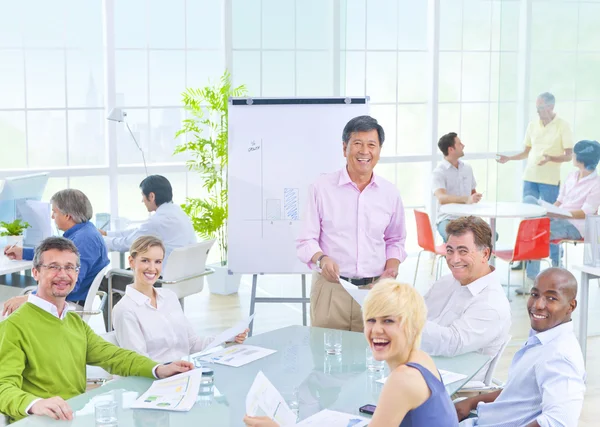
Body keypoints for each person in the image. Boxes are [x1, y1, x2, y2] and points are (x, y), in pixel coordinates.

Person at [0, 237, 193, 423]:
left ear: (77, 273)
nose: (63, 274)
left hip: (72, 417)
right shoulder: (14, 326)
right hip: (37, 421)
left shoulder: (74, 322)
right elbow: (3, 387)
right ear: (35, 272)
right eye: (53, 267)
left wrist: (158, 368)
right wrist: (35, 404)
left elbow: (115, 357)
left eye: (69, 267)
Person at [243, 280, 458, 427]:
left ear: (412, 326)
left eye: (388, 321)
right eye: (371, 320)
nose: (376, 330)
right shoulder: (421, 359)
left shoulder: (403, 379)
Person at [296, 115, 407, 332]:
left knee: (372, 359)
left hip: (375, 290)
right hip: (332, 289)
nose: (364, 151)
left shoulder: (390, 193)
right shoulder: (322, 187)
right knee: (325, 358)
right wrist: (322, 258)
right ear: (344, 147)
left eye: (371, 145)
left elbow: (396, 239)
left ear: (379, 150)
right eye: (357, 144)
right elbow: (305, 239)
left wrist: (391, 270)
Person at [455, 268, 585, 427]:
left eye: (551, 298)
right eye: (535, 294)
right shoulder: (544, 339)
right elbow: (517, 393)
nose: (538, 305)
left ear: (571, 306)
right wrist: (471, 402)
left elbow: (559, 421)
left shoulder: (560, 356)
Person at [112, 236, 248, 362]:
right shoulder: (125, 310)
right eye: (145, 260)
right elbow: (139, 363)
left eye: (158, 262)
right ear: (132, 262)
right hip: (159, 380)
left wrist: (228, 337)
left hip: (184, 372)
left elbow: (193, 343)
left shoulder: (169, 296)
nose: (152, 268)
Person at [99, 174, 197, 328]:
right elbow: (139, 230)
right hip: (183, 278)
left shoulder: (158, 221)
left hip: (161, 280)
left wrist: (99, 240)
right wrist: (108, 234)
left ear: (152, 196)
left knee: (108, 281)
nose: (142, 201)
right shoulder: (178, 213)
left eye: (143, 197)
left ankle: (119, 331)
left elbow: (127, 244)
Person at [420, 217, 510, 382]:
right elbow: (420, 312)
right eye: (449, 250)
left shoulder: (492, 304)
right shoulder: (447, 281)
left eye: (463, 251)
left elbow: (451, 343)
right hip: (425, 368)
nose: (454, 259)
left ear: (485, 254)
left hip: (457, 388)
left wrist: (403, 320)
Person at [2, 189, 109, 315]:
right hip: (64, 297)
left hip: (67, 301)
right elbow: (54, 252)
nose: (52, 216)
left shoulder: (83, 240)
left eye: (55, 212)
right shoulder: (84, 231)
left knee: (7, 302)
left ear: (67, 215)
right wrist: (23, 253)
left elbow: (70, 284)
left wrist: (31, 298)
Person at [519, 140, 600, 294]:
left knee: (538, 231)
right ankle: (542, 263)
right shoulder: (571, 176)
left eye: (574, 154)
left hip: (576, 225)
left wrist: (560, 214)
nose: (572, 156)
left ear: (581, 159)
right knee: (530, 202)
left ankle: (532, 279)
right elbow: (560, 200)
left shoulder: (597, 183)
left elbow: (586, 213)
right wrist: (548, 211)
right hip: (559, 217)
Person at [497, 92, 574, 204]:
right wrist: (509, 158)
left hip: (550, 181)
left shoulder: (563, 126)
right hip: (530, 178)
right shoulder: (532, 125)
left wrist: (551, 158)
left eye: (541, 107)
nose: (538, 110)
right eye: (537, 107)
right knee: (528, 214)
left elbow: (569, 156)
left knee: (549, 216)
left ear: (551, 107)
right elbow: (526, 153)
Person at [432, 132, 481, 242]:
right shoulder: (439, 172)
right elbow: (442, 198)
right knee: (455, 239)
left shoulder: (467, 168)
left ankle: (474, 259)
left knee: (491, 236)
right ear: (451, 149)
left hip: (468, 218)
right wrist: (465, 199)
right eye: (459, 144)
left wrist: (475, 197)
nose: (463, 145)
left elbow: (473, 192)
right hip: (448, 218)